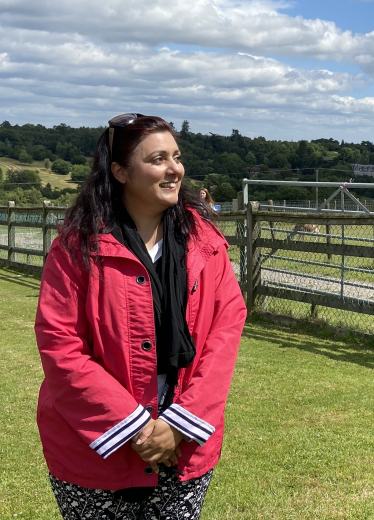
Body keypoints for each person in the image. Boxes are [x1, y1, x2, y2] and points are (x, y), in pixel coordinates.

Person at [35, 113, 246, 519]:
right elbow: (60, 344)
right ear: (119, 171)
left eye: (177, 156)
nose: (175, 169)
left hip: (184, 439)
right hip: (94, 444)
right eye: (158, 159)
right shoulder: (78, 247)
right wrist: (135, 428)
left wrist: (180, 424)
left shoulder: (206, 243)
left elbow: (226, 331)